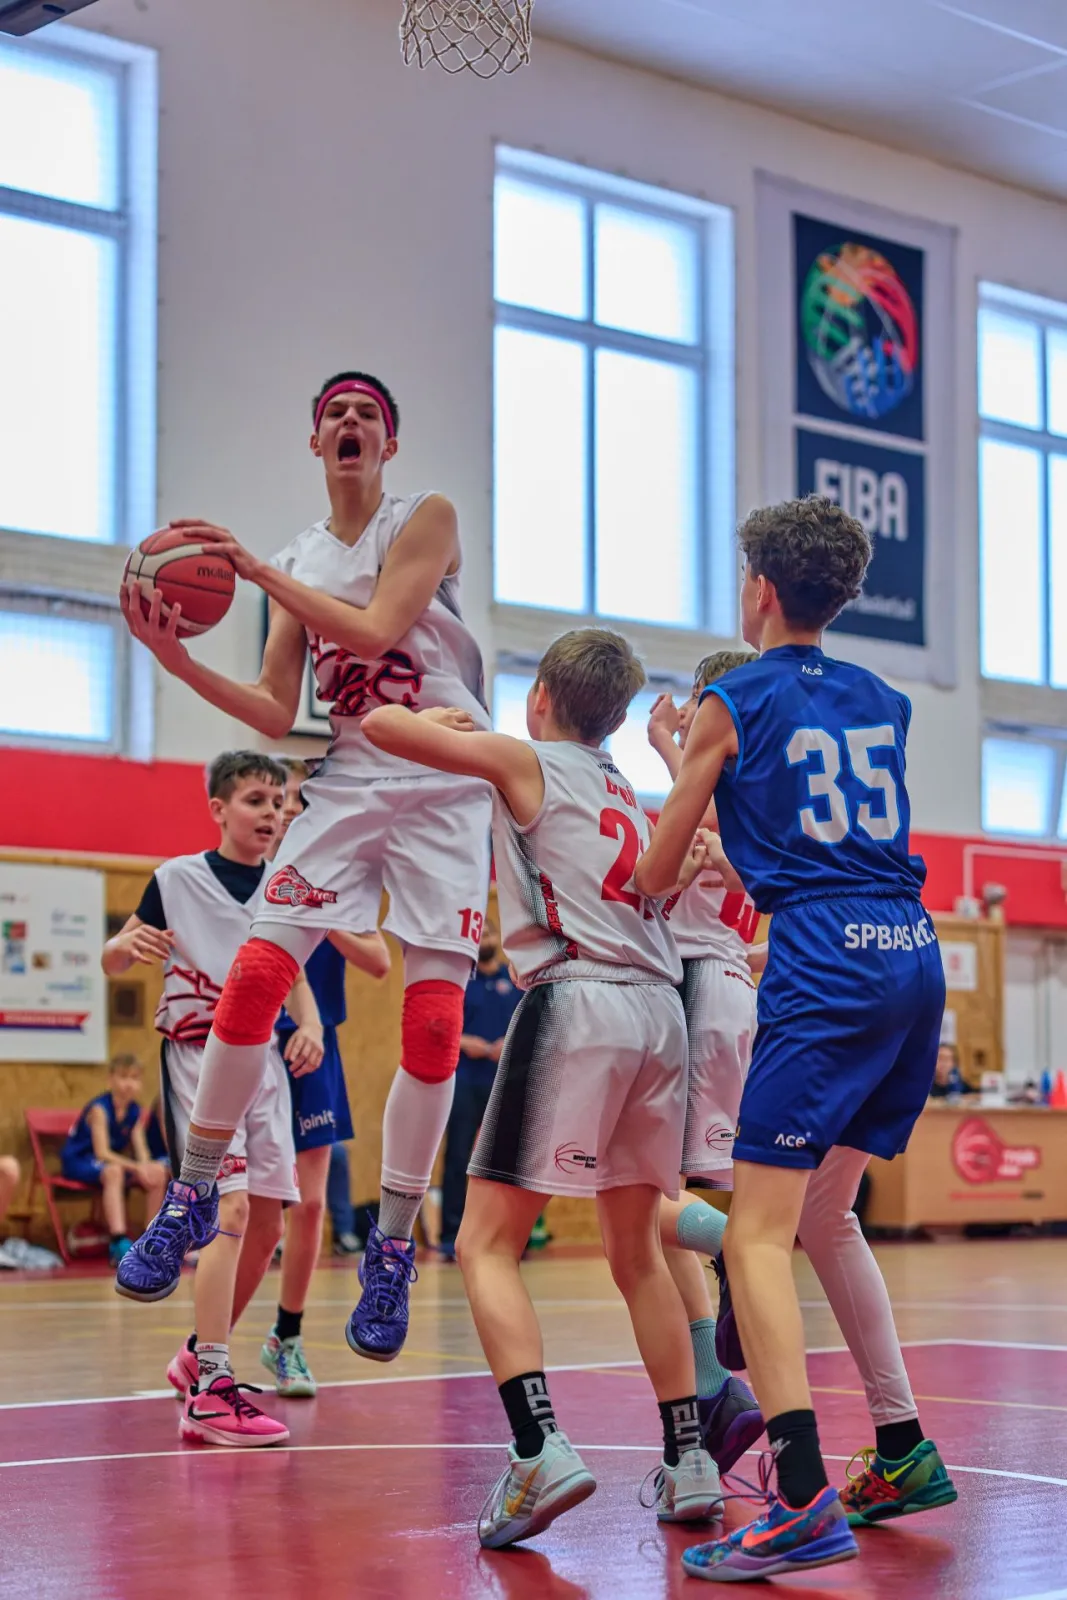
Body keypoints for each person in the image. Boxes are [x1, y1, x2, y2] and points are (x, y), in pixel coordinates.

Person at [117, 371, 492, 1364]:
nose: (350, 421)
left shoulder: (426, 516)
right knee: (253, 977)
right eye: (335, 413)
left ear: (388, 444)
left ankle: (394, 1245)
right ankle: (193, 1189)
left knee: (433, 1023)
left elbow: (371, 630)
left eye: (368, 413)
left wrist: (247, 568)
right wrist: (176, 662)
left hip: (445, 764)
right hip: (351, 771)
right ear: (315, 441)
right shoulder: (295, 559)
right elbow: (278, 711)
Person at [635, 496, 956, 1582]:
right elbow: (817, 824)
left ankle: (802, 1495)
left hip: (823, 959)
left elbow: (655, 870)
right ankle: (900, 1446)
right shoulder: (882, 698)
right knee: (825, 1213)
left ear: (759, 590)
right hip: (909, 949)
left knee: (756, 1236)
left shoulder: (732, 699)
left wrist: (681, 761)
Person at [362, 627, 722, 1549]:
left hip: (578, 998)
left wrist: (437, 718)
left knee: (484, 1243)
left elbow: (381, 727)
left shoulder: (524, 758)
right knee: (636, 1252)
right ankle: (689, 1459)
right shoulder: (624, 790)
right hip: (661, 1012)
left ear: (540, 701)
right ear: (615, 718)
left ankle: (538, 1447)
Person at [104, 751, 324, 1447]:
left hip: (264, 1061)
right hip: (198, 1055)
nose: (271, 813)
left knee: (268, 1224)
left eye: (279, 802)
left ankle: (199, 1353)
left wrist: (311, 1023)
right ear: (218, 810)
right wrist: (122, 944)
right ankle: (210, 1391)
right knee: (225, 1208)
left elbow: (291, 971)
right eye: (256, 800)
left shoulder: (285, 886)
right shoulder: (175, 878)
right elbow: (115, 957)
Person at [645, 652, 765, 1475]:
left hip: (689, 985)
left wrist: (664, 746)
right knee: (660, 1207)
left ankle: (732, 1245)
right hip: (729, 990)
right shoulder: (769, 796)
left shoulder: (708, 784)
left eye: (694, 702)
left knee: (634, 1201)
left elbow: (676, 846)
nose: (685, 716)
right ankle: (713, 1392)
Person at [261, 755, 391, 1397]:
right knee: (249, 1208)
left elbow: (378, 960)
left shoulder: (340, 876)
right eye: (279, 799)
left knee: (310, 1204)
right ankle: (204, 1348)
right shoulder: (248, 875)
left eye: (298, 800)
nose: (288, 809)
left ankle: (286, 1338)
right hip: (255, 1041)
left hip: (317, 1045)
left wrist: (322, 911)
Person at [438, 923, 522, 1259]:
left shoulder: (515, 982)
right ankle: (451, 1234)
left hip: (505, 1083)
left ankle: (511, 1235)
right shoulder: (461, 982)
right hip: (465, 1081)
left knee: (509, 1160)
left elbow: (532, 1025)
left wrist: (510, 1042)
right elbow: (441, 1028)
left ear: (498, 939)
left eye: (489, 934)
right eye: (479, 935)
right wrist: (464, 1042)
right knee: (458, 1156)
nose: (484, 940)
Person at [60, 1055, 169, 1266]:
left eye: (134, 1078)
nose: (129, 1083)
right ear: (110, 1080)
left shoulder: (135, 1111)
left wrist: (147, 1166)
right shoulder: (99, 1109)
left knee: (157, 1172)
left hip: (112, 1164)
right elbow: (102, 1153)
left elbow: (141, 1149)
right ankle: (118, 1241)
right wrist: (136, 1167)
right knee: (113, 1172)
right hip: (80, 1160)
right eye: (123, 1077)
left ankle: (150, 1239)